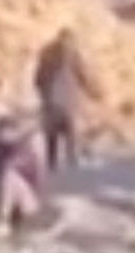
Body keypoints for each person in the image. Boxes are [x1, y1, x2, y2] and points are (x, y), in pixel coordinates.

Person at [33, 31, 94, 175]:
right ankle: (72, 159)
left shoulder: (47, 54)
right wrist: (90, 90)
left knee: (51, 134)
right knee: (71, 132)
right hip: (70, 99)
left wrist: (43, 92)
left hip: (51, 99)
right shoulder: (74, 55)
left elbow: (38, 78)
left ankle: (51, 161)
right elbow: (84, 75)